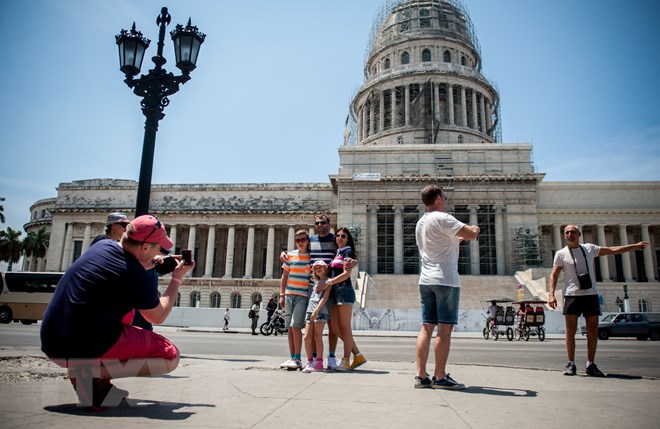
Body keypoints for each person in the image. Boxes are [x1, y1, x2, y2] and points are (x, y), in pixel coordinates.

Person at [40, 215, 194, 409]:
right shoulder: (136, 277)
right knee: (169, 355)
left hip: (52, 344)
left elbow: (123, 264)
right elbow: (158, 316)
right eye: (158, 247)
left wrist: (152, 262)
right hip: (80, 349)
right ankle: (90, 374)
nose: (160, 251)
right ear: (146, 247)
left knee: (124, 311)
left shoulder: (101, 245)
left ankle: (97, 385)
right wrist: (176, 279)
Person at [548, 224, 649, 377]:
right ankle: (570, 363)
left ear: (579, 234)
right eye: (567, 232)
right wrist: (551, 294)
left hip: (590, 294)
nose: (569, 234)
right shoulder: (561, 254)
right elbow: (554, 275)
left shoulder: (589, 248)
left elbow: (612, 250)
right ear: (564, 235)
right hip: (571, 295)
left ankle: (590, 364)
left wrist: (634, 246)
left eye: (573, 232)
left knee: (592, 331)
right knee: (570, 332)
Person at [414, 185, 479, 390]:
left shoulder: (421, 222)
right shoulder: (443, 218)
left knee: (426, 327)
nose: (446, 200)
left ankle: (421, 376)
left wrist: (457, 238)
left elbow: (443, 241)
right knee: (444, 329)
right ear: (438, 198)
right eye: (445, 197)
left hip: (426, 280)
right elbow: (471, 234)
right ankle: (440, 376)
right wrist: (475, 229)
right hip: (445, 280)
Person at [280, 214, 357, 370]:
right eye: (317, 223)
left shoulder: (335, 240)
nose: (320, 225)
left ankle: (332, 356)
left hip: (332, 286)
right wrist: (284, 252)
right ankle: (315, 358)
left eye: (323, 222)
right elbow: (300, 249)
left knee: (332, 325)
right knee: (314, 326)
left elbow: (346, 254)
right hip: (312, 287)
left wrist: (354, 261)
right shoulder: (311, 240)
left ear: (329, 223)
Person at [327, 227, 366, 371]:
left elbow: (346, 274)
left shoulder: (347, 251)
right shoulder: (337, 252)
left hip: (344, 290)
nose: (339, 238)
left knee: (345, 327)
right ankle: (357, 354)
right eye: (337, 235)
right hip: (334, 292)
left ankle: (346, 359)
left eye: (343, 236)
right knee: (335, 328)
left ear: (348, 238)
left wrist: (329, 282)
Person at [279, 229, 312, 370]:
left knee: (295, 325)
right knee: (289, 328)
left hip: (302, 296)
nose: (300, 242)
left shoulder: (311, 257)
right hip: (289, 294)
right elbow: (284, 276)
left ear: (308, 240)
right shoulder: (290, 255)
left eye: (303, 239)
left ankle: (297, 358)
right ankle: (292, 356)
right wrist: (282, 294)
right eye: (297, 240)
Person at [301, 260, 332, 373]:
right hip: (310, 310)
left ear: (325, 268)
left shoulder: (328, 281)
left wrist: (316, 310)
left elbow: (325, 298)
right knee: (307, 337)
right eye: (316, 268)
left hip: (320, 311)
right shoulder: (317, 282)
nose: (318, 269)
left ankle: (319, 362)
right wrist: (311, 311)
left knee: (317, 336)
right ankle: (310, 360)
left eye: (320, 267)